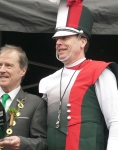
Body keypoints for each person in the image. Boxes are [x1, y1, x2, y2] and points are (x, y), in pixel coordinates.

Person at [39, 0, 118, 150]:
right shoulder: (47, 82)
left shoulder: (100, 72)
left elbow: (115, 121)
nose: (58, 43)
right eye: (57, 39)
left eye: (65, 37)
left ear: (82, 41)